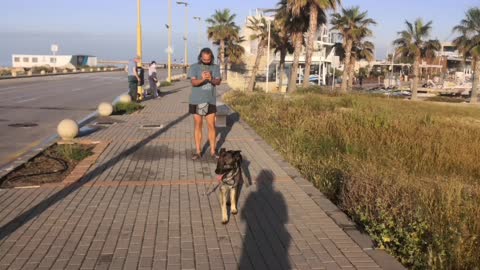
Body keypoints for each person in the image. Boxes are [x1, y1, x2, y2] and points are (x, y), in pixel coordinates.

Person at [188, 48, 222, 160]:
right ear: (200, 57)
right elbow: (193, 83)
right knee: (198, 125)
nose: (206, 61)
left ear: (211, 57)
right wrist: (203, 79)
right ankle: (198, 151)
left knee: (211, 126)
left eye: (208, 59)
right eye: (204, 59)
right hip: (197, 100)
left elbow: (218, 82)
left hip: (210, 100)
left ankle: (213, 151)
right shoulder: (194, 67)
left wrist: (211, 78)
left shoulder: (215, 67)